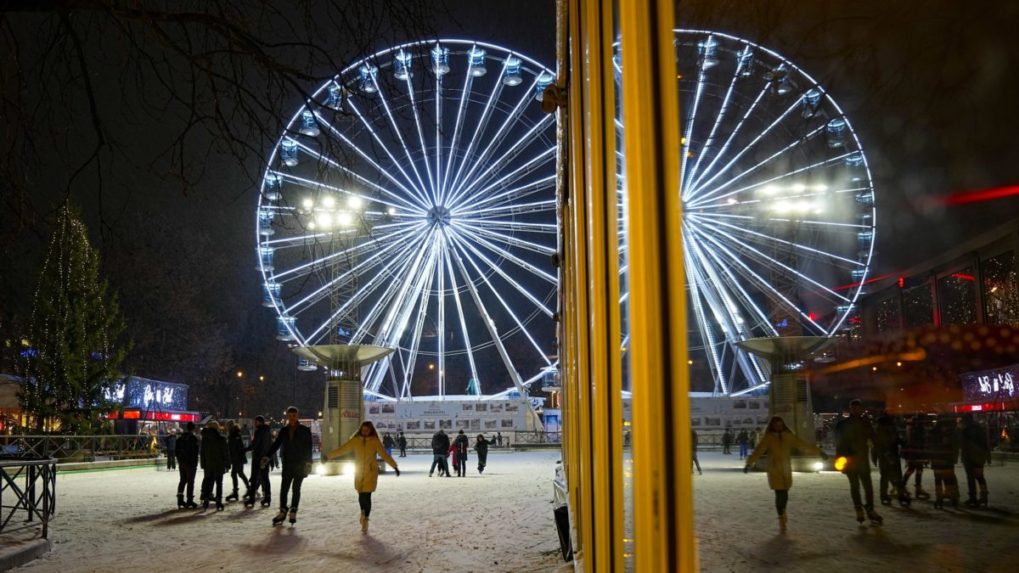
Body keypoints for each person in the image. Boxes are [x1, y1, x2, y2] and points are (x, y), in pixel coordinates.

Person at [744, 416, 824, 532]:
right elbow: (759, 451)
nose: (778, 427)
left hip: (786, 469)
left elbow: (803, 444)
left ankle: (782, 511)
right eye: (776, 425)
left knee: (785, 494)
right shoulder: (768, 438)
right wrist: (749, 463)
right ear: (772, 426)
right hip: (775, 469)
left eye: (780, 425)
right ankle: (781, 517)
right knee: (779, 493)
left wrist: (819, 452)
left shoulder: (788, 436)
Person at [325, 421, 400, 533]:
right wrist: (328, 456)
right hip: (359, 471)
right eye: (363, 430)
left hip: (370, 472)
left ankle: (365, 519)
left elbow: (384, 454)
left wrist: (394, 466)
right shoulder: (355, 441)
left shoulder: (375, 441)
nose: (365, 432)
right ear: (361, 430)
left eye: (367, 430)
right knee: (361, 495)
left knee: (367, 496)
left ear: (371, 431)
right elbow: (342, 449)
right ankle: (363, 512)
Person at [834, 399, 882, 524]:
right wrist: (840, 462)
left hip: (862, 460)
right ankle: (859, 509)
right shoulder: (843, 425)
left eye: (858, 408)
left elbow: (874, 439)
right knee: (855, 486)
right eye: (854, 408)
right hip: (850, 460)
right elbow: (839, 445)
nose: (856, 410)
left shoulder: (864, 423)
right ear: (850, 409)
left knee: (867, 486)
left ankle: (869, 509)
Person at [264, 406, 313, 525]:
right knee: (284, 489)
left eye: (294, 416)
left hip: (300, 464)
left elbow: (308, 447)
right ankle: (283, 510)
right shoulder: (284, 431)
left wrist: (308, 462)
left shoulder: (304, 430)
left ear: (297, 416)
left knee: (296, 489)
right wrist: (267, 456)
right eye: (290, 416)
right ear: (287, 417)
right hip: (288, 464)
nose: (292, 418)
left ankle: (293, 510)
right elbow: (276, 444)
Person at [873, 412, 909, 506]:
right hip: (892, 454)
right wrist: (903, 443)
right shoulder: (890, 427)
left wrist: (875, 456)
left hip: (883, 455)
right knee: (896, 475)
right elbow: (895, 439)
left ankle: (884, 496)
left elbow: (875, 444)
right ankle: (901, 496)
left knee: (884, 476)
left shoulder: (877, 428)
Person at [928, 414, 961, 509]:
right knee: (949, 478)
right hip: (947, 459)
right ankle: (953, 497)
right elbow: (955, 445)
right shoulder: (952, 432)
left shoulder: (933, 431)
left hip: (936, 459)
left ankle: (939, 498)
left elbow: (929, 445)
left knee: (938, 479)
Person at [959, 413, 990, 507]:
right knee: (980, 476)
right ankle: (984, 496)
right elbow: (985, 442)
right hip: (980, 456)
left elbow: (962, 443)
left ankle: (973, 497)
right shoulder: (979, 428)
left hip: (969, 456)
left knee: (970, 477)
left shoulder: (964, 430)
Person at [199, 420, 230, 511]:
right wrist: (227, 464)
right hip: (219, 465)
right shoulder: (221, 439)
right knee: (219, 483)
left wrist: (203, 464)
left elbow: (202, 453)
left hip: (209, 465)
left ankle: (206, 501)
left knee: (208, 482)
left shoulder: (205, 439)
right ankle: (218, 502)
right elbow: (225, 453)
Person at [245, 415, 272, 508]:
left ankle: (251, 499)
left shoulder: (259, 432)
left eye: (256, 422)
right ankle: (267, 497)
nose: (254, 423)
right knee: (265, 478)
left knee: (254, 478)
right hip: (265, 458)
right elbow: (270, 445)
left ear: (259, 422)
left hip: (258, 458)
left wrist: (245, 449)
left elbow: (255, 444)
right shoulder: (268, 432)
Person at [901, 415, 930, 499]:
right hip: (917, 453)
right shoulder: (918, 428)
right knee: (916, 469)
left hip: (914, 453)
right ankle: (915, 488)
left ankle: (905, 486)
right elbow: (920, 441)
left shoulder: (911, 427)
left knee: (915, 469)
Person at [175, 422, 199, 509]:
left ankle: (180, 499)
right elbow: (195, 452)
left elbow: (176, 451)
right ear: (193, 429)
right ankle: (189, 500)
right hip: (190, 463)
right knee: (190, 481)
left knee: (182, 480)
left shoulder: (180, 438)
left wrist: (180, 460)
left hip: (182, 462)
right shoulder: (193, 439)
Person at [225, 421, 249, 503]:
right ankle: (245, 489)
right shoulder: (235, 434)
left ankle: (237, 492)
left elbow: (236, 447)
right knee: (239, 473)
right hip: (237, 458)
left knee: (237, 474)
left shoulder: (234, 435)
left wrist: (233, 457)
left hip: (237, 458)